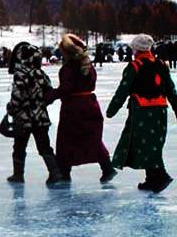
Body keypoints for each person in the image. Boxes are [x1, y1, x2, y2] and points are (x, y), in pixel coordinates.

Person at [106, 34, 177, 193]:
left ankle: (160, 175)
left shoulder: (134, 66)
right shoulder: (161, 65)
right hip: (160, 111)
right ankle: (151, 179)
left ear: (136, 49)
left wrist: (112, 110)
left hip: (141, 112)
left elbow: (122, 90)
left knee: (144, 144)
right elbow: (171, 91)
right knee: (153, 144)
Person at [45, 34, 116, 183]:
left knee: (66, 140)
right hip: (90, 105)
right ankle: (107, 167)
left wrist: (48, 96)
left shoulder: (68, 68)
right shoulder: (88, 66)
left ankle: (64, 172)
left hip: (74, 108)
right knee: (93, 138)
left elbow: (66, 89)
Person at [5, 42, 62, 184]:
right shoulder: (41, 74)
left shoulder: (20, 74)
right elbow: (49, 93)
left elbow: (17, 97)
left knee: (19, 147)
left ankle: (18, 175)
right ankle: (55, 173)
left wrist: (11, 108)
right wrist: (40, 104)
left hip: (23, 119)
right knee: (44, 146)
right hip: (41, 118)